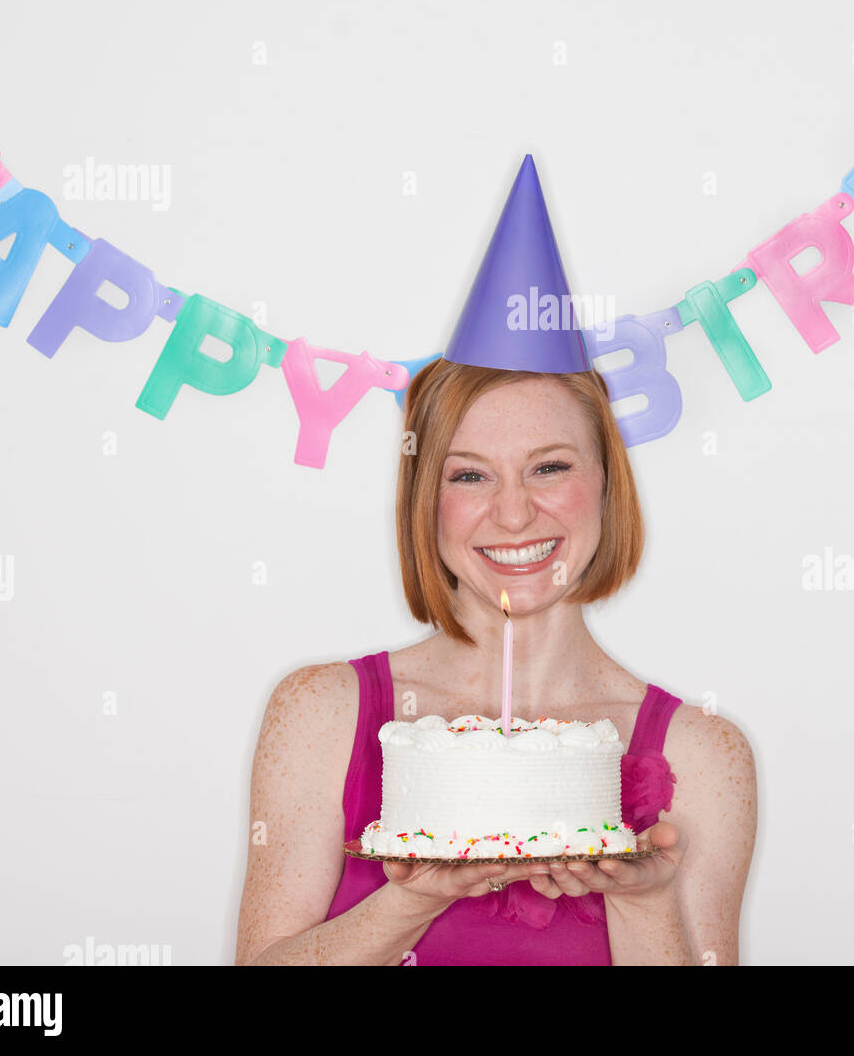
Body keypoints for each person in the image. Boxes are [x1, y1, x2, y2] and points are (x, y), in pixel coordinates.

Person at [234, 156, 757, 964]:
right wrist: (409, 901)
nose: (513, 512)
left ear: (607, 485)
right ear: (425, 503)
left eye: (550, 467)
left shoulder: (702, 755)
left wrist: (647, 904)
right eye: (470, 475)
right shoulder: (322, 713)